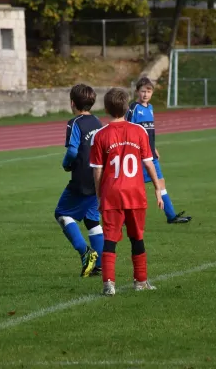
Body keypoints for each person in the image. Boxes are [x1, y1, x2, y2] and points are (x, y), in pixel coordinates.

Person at [90, 87, 164, 296]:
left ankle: (109, 284)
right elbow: (149, 164)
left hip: (111, 193)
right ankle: (140, 281)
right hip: (135, 193)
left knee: (110, 239)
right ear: (126, 107)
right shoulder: (138, 131)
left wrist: (98, 195)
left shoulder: (100, 135)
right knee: (137, 238)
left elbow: (97, 171)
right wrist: (158, 189)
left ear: (106, 108)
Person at [125, 77, 192, 224]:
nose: (145, 94)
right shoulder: (133, 108)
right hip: (138, 155)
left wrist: (153, 148)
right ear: (137, 91)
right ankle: (123, 216)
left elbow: (149, 132)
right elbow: (126, 130)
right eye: (143, 91)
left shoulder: (150, 108)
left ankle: (171, 215)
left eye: (148, 91)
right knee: (132, 186)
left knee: (160, 182)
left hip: (150, 154)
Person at [54, 84, 105, 277]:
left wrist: (66, 164)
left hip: (81, 178)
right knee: (92, 220)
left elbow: (73, 150)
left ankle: (85, 252)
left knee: (62, 213)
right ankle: (99, 264)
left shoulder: (74, 123)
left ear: (72, 103)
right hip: (97, 177)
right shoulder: (97, 122)